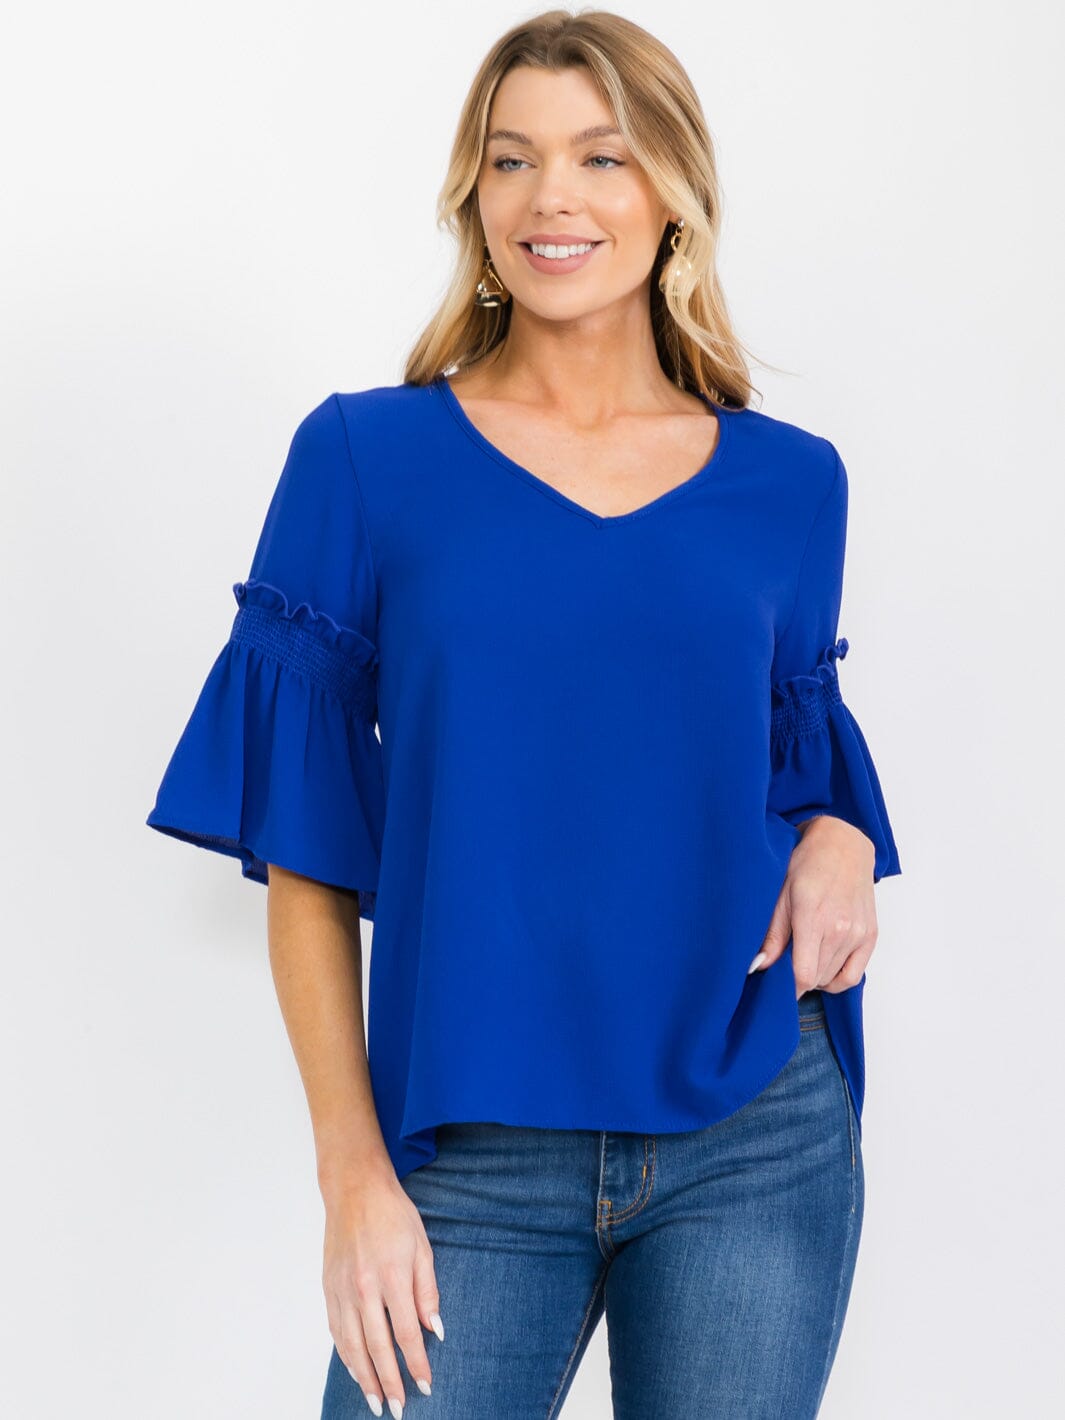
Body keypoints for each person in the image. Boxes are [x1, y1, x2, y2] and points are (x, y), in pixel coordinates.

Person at [145, 10, 902, 1418]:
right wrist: (353, 1177)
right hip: (466, 1148)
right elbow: (308, 857)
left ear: (672, 197)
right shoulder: (364, 459)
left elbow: (781, 770)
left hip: (753, 1130)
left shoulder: (793, 486)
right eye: (513, 159)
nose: (553, 197)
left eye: (601, 157)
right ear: (475, 199)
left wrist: (839, 838)